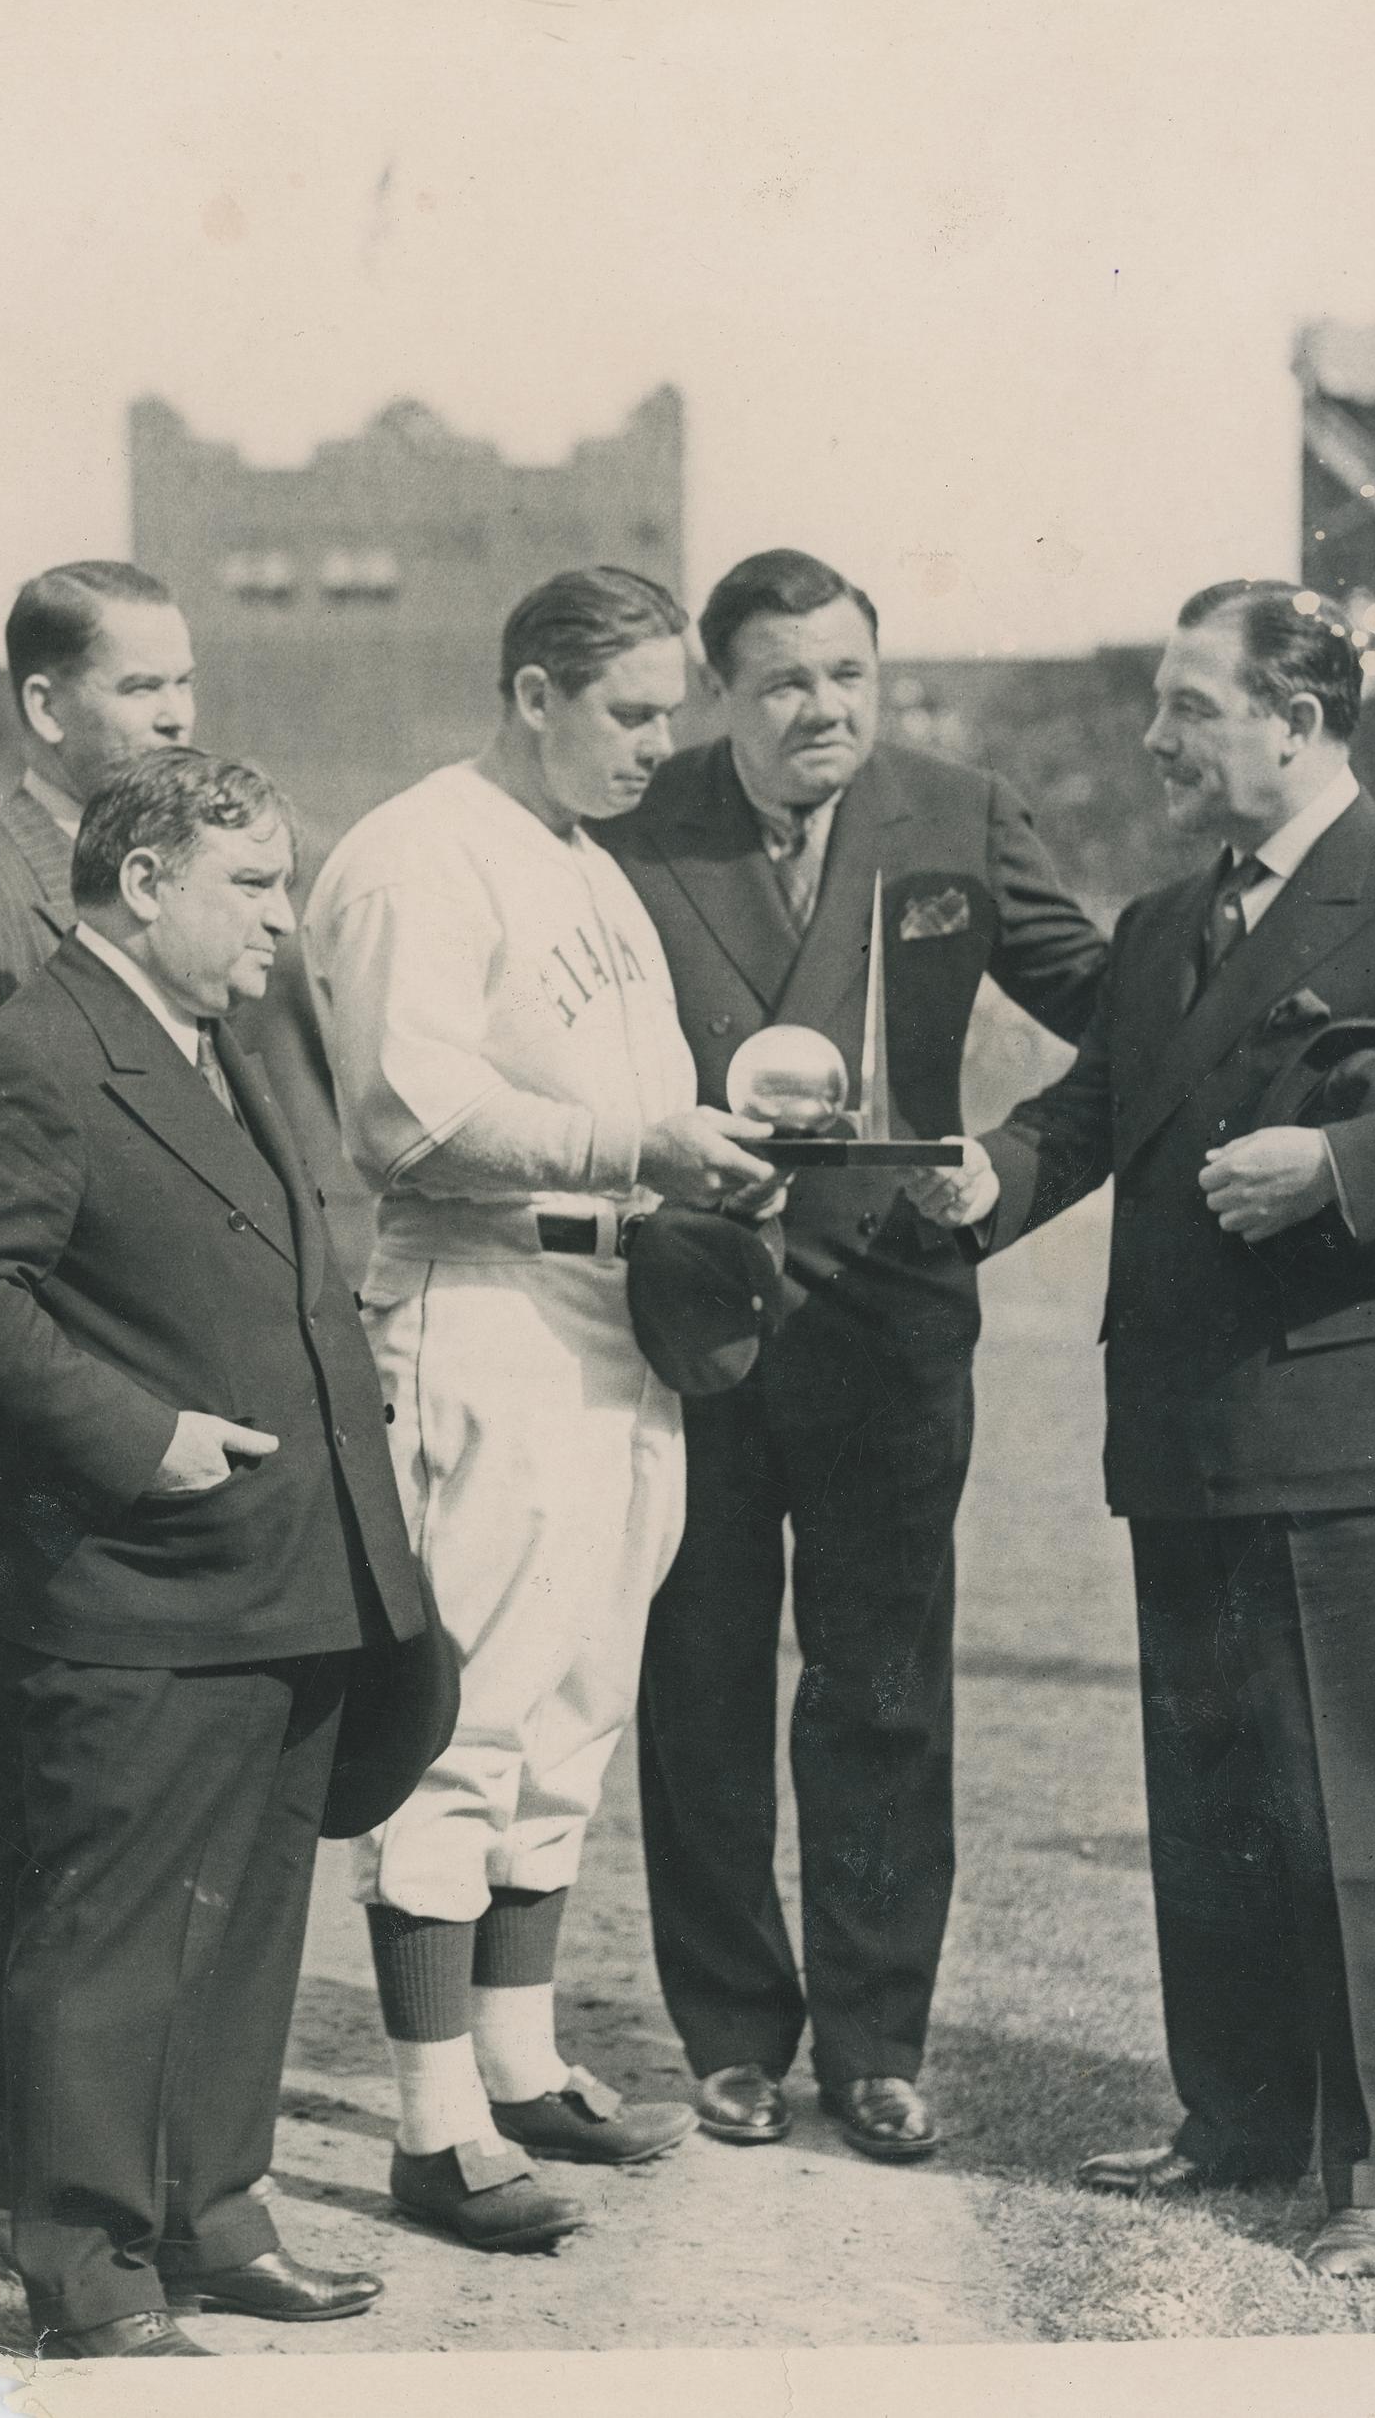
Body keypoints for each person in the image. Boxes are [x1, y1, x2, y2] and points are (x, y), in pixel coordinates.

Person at [910, 580, 1375, 2280]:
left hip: (1365, 1422)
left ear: (1295, 718)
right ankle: (1241, 2120)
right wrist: (988, 1182)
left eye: (1189, 705)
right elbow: (1094, 1109)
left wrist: (1342, 1167)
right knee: (1220, 1790)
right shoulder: (1168, 913)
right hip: (1189, 1426)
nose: (1158, 738)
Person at [0, 746, 431, 2359]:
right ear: (146, 884)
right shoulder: (41, 1051)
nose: (283, 918)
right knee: (113, 1945)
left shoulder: (215, 1037)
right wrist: (145, 1436)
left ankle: (215, 2218)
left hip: (286, 1575)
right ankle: (94, 2273)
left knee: (252, 1924)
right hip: (140, 1585)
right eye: (252, 886)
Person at [594, 547, 1107, 2160]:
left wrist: (1011, 1171)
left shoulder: (951, 811)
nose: (826, 709)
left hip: (891, 1321)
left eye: (850, 676)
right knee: (702, 1685)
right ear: (720, 691)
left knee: (883, 1686)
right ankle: (732, 2032)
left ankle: (879, 2038)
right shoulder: (633, 822)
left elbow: (1125, 1015)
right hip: (694, 1314)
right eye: (785, 682)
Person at [306, 567, 786, 2250]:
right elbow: (403, 1115)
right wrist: (638, 1149)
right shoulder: (415, 851)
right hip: (485, 1295)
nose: (663, 742)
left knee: (579, 1701)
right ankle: (432, 2123)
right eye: (631, 710)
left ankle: (519, 2060)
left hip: (620, 1301)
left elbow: (629, 1098)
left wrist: (707, 1150)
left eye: (671, 710)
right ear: (531, 692)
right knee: (470, 1709)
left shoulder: (588, 861)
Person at [0, 558, 196, 2262]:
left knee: (132, 1811)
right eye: (143, 688)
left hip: (154, 1413)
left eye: (183, 685)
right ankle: (11, 2178)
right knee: (45, 1809)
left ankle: (100, 2159)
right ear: (47, 706)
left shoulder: (150, 880)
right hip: (45, 1427)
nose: (175, 716)